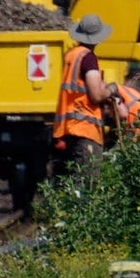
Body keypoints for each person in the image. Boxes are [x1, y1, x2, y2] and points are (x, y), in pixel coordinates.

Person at [53, 14, 116, 172]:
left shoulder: (71, 55)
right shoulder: (88, 58)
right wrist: (111, 89)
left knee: (71, 182)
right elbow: (96, 95)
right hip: (85, 129)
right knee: (88, 182)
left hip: (68, 129)